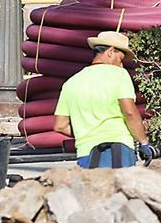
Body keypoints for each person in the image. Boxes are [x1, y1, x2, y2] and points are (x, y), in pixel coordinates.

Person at [54, 31, 154, 169]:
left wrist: (87, 131)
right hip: (118, 149)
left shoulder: (71, 82)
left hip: (85, 154)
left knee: (93, 189)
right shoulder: (119, 75)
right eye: (120, 59)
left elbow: (59, 125)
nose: (121, 65)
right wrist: (144, 142)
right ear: (111, 52)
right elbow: (130, 112)